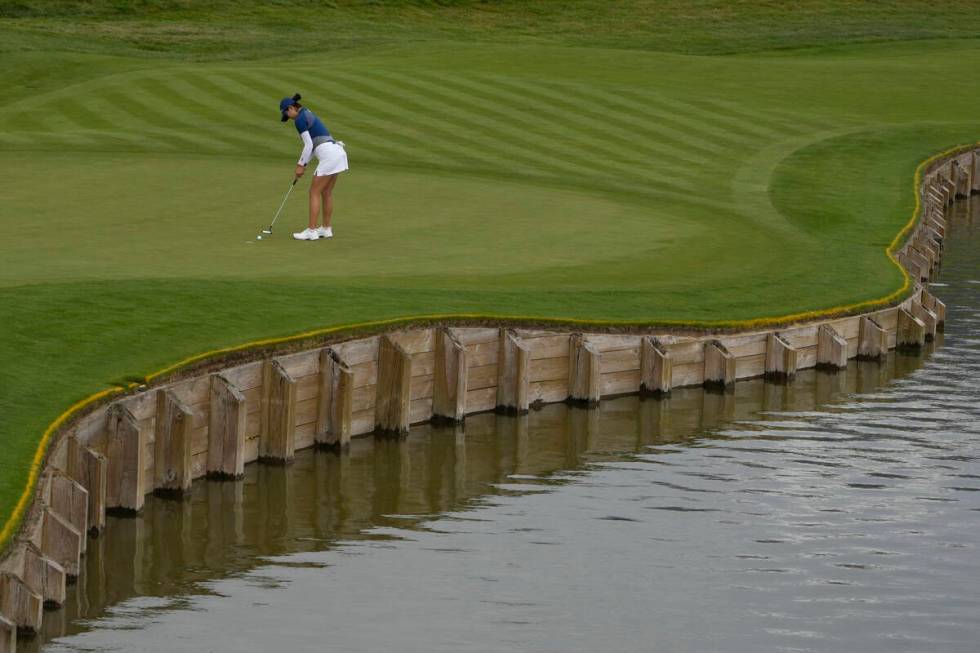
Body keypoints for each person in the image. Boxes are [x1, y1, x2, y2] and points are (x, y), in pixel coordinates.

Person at [279, 93, 348, 241]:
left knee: (314, 192)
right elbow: (313, 145)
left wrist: (300, 165)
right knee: (326, 192)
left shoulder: (299, 120)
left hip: (329, 155)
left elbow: (309, 145)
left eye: (287, 114)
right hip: (338, 152)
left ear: (291, 108)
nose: (289, 118)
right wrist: (303, 165)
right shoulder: (307, 113)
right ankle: (326, 229)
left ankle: (311, 231)